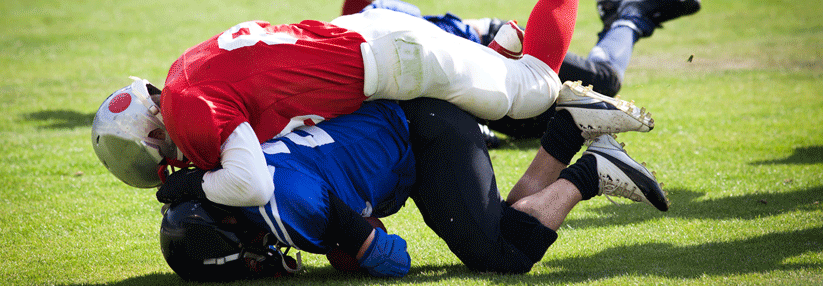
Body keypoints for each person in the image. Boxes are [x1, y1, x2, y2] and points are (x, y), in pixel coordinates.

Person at [92, 0, 587, 211]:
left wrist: (195, 183)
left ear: (155, 142)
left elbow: (251, 183)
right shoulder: (182, 71)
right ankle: (495, 52)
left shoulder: (188, 113)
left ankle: (506, 57)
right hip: (367, 35)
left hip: (391, 61)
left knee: (535, 89)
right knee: (490, 91)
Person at [154, 79, 667, 280]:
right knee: (502, 229)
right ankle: (569, 129)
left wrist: (347, 249)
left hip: (425, 137)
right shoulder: (234, 168)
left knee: (505, 256)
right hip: (411, 124)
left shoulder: (281, 207)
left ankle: (592, 173)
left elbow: (393, 259)